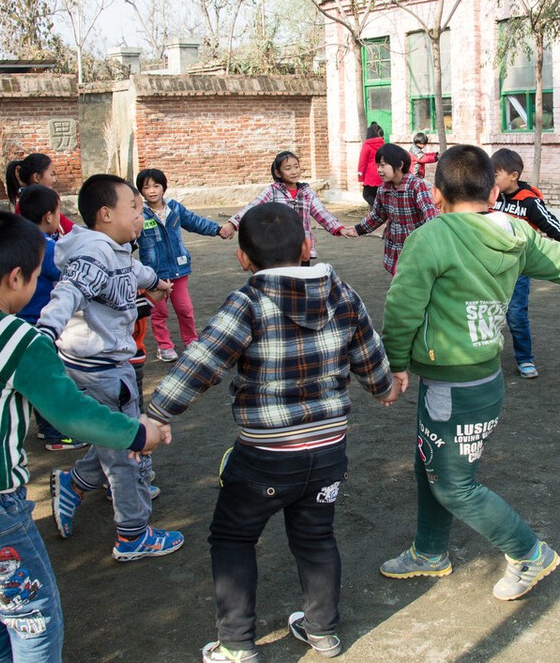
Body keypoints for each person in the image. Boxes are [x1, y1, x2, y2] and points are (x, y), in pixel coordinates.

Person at [378, 145, 560, 600]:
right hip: (479, 380)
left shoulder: (431, 237)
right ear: (491, 189)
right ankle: (429, 552)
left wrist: (395, 366)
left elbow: (402, 310)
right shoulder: (516, 232)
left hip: (454, 386)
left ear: (438, 192)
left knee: (455, 485)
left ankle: (530, 553)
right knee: (431, 466)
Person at [0, 211, 170, 662]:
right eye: (37, 278)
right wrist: (135, 432)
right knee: (35, 623)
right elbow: (70, 413)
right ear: (16, 278)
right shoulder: (18, 339)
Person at [146, 203, 394, 663]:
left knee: (233, 537)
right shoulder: (343, 293)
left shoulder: (248, 302)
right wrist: (383, 387)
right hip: (327, 450)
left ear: (243, 258)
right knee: (316, 537)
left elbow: (203, 361)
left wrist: (158, 412)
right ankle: (323, 632)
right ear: (306, 246)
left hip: (265, 454)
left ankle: (237, 644)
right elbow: (369, 352)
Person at [39, 174, 185, 562]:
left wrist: (157, 282)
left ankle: (76, 481)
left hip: (108, 364)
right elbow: (69, 292)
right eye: (133, 209)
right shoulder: (93, 254)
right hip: (100, 367)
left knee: (116, 434)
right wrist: (44, 331)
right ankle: (133, 534)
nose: (140, 216)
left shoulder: (116, 250)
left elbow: (134, 272)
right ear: (105, 214)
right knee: (126, 447)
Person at [490, 148, 560, 379]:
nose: (491, 179)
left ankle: (525, 359)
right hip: (491, 267)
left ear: (513, 175)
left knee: (516, 313)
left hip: (520, 268)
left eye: (496, 174)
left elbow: (551, 225)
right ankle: (487, 355)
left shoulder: (529, 202)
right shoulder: (489, 196)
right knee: (488, 310)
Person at [16, 184, 88, 452]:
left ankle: (46, 429)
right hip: (40, 321)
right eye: (59, 212)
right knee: (52, 378)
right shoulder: (44, 246)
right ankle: (57, 435)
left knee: (38, 376)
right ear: (48, 216)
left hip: (21, 318)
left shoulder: (21, 240)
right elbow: (63, 270)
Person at [136, 167, 229, 362]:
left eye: (156, 185)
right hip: (154, 275)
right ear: (141, 191)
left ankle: (191, 341)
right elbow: (127, 236)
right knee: (158, 312)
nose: (152, 190)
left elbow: (194, 222)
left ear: (164, 188)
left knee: (184, 309)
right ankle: (164, 346)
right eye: (146, 187)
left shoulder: (175, 209)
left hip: (179, 270)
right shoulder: (139, 215)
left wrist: (217, 229)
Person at [220, 151, 356, 259]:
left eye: (296, 167)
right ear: (278, 173)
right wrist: (233, 224)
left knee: (301, 287)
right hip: (277, 249)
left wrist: (339, 228)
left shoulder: (307, 192)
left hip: (302, 249)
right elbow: (251, 208)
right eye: (288, 168)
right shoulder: (272, 191)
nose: (294, 171)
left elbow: (322, 213)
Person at [353, 144, 438, 275]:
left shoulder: (416, 185)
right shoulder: (383, 189)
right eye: (377, 166)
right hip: (394, 246)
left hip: (415, 246)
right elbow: (377, 216)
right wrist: (357, 229)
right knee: (399, 282)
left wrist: (435, 233)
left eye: (383, 165)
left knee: (415, 283)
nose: (379, 170)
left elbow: (429, 210)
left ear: (400, 165)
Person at [5, 153, 75, 235]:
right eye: (52, 174)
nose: (54, 180)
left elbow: (69, 227)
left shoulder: (46, 203)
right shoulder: (24, 209)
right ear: (36, 177)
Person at [357, 123, 385, 206]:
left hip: (371, 176)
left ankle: (379, 208)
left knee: (367, 195)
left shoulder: (367, 145)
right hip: (382, 174)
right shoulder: (383, 144)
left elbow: (362, 162)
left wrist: (361, 177)